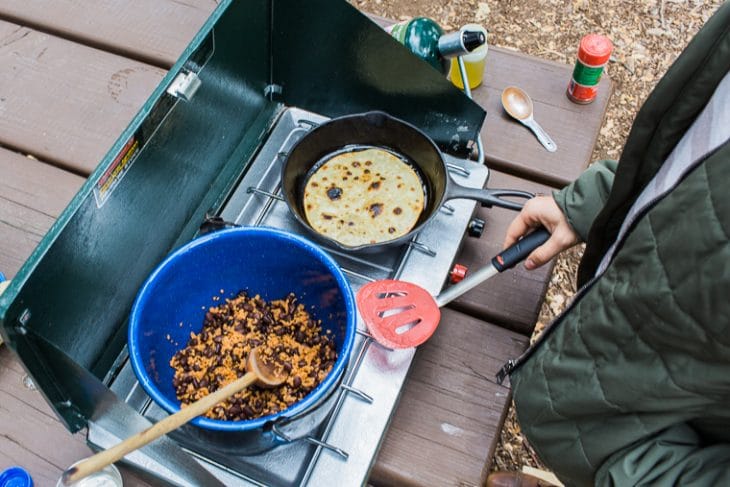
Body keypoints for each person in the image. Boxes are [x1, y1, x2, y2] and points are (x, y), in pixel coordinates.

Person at [487, 3, 730, 486]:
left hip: (669, 445)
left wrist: (630, 475)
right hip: (637, 367)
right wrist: (597, 202)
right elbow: (694, 155)